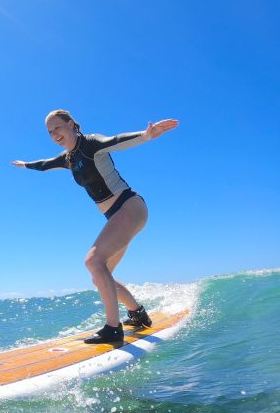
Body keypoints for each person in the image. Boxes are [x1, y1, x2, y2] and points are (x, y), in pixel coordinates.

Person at [11, 110, 178, 344]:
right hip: (117, 216)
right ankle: (138, 314)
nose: (54, 134)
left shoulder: (90, 143)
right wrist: (25, 165)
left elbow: (116, 140)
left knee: (92, 261)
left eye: (57, 127)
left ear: (71, 124)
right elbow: (45, 164)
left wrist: (146, 134)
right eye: (50, 132)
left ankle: (112, 328)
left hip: (128, 206)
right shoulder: (67, 158)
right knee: (100, 275)